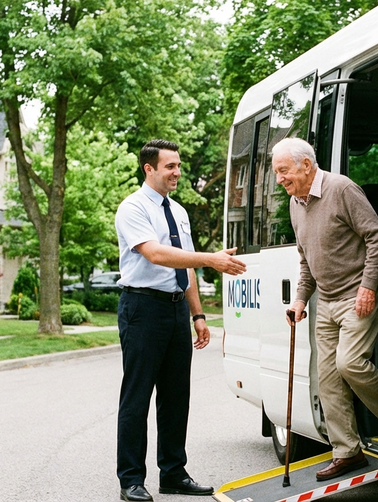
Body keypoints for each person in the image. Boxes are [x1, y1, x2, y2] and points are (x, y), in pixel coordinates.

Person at [114, 139, 247, 502]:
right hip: (142, 308)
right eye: (170, 166)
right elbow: (156, 254)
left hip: (174, 310)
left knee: (176, 396)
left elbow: (184, 265)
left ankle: (173, 472)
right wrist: (211, 259)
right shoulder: (133, 209)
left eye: (178, 165)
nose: (177, 172)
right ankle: (131, 479)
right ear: (149, 169)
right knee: (137, 396)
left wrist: (198, 314)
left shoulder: (179, 212)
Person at [271, 137, 378, 482]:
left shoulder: (341, 189)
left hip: (358, 293)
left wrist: (369, 285)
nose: (279, 179)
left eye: (283, 171)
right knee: (327, 378)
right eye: (277, 173)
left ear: (306, 166)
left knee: (350, 362)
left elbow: (377, 237)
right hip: (324, 301)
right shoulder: (296, 203)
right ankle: (347, 451)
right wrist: (300, 298)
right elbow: (306, 259)